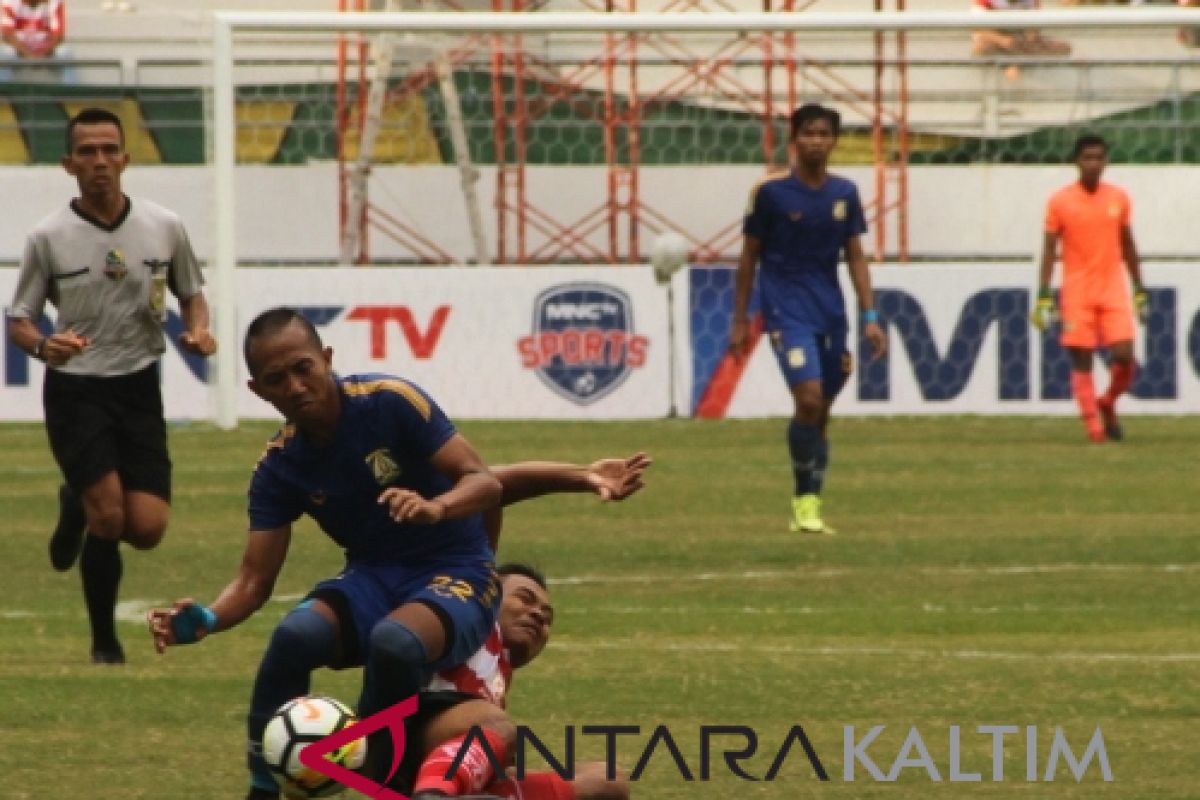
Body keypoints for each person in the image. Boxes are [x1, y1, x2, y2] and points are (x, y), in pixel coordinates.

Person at [147, 306, 505, 800]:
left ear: (327, 358)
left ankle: (381, 779)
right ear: (258, 391)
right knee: (295, 636)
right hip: (374, 577)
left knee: (394, 643)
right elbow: (254, 581)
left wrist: (435, 508)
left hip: (459, 570)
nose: (294, 386)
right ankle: (263, 788)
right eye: (276, 379)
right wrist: (207, 617)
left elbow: (484, 481)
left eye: (303, 368)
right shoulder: (279, 467)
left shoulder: (390, 403)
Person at [6, 106, 217, 665]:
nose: (99, 161)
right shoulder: (48, 237)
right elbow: (20, 317)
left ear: (126, 157)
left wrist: (197, 329)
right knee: (111, 518)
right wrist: (40, 345)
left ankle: (74, 499)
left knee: (146, 528)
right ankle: (105, 643)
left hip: (139, 384)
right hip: (76, 388)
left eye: (109, 150)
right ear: (68, 163)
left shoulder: (164, 225)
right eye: (87, 152)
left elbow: (192, 291)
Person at [728, 103, 886, 536]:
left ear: (834, 140)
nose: (816, 141)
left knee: (821, 412)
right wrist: (740, 318)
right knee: (810, 399)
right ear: (794, 138)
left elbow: (855, 257)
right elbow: (748, 258)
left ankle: (812, 501)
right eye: (808, 133)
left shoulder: (844, 194)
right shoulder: (771, 192)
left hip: (830, 312)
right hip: (785, 309)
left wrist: (870, 316)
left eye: (824, 134)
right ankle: (802, 500)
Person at [411, 564, 631, 800]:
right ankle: (432, 795)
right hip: (407, 738)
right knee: (497, 726)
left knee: (608, 782)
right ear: (489, 598)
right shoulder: (465, 624)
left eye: (547, 618)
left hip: (452, 762)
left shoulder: (498, 674)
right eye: (524, 599)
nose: (537, 614)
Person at [1032, 133, 1145, 443]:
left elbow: (1127, 244)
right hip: (1077, 290)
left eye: (1099, 158)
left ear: (1106, 161)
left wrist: (1139, 286)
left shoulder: (1118, 198)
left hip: (1112, 287)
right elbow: (1048, 250)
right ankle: (1095, 431)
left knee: (1124, 356)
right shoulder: (1060, 201)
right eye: (1087, 158)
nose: (1093, 164)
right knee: (1081, 357)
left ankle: (1107, 402)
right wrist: (1043, 294)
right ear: (1077, 162)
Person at [970, 0, 1072, 63]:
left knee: (1064, 48)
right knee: (982, 48)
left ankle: (1015, 61)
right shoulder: (987, 1)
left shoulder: (1032, 1)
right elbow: (980, 28)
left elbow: (1034, 30)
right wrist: (1005, 41)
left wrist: (1016, 58)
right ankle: (1010, 62)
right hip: (996, 40)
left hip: (1021, 41)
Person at [0, 0, 72, 82]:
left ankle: (71, 93)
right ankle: (3, 93)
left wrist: (42, 55)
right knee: (5, 53)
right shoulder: (10, 1)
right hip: (20, 47)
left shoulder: (55, 2)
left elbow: (58, 36)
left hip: (45, 46)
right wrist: (29, 55)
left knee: (64, 52)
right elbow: (7, 35)